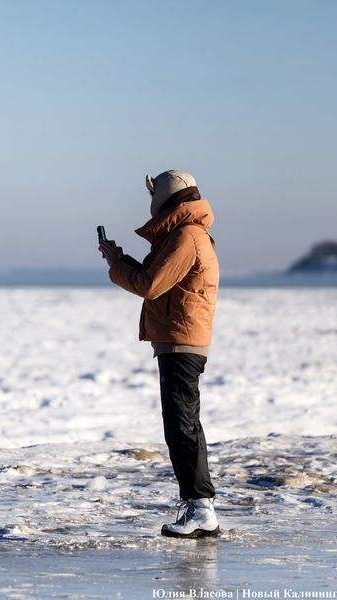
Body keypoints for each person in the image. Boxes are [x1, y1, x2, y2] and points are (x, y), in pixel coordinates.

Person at [97, 170, 220, 538]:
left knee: (181, 426)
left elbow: (150, 286)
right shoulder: (185, 235)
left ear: (164, 199)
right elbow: (157, 278)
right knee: (184, 424)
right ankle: (200, 507)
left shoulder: (186, 237)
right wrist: (117, 259)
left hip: (181, 343)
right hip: (179, 339)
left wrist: (117, 268)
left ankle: (200, 508)